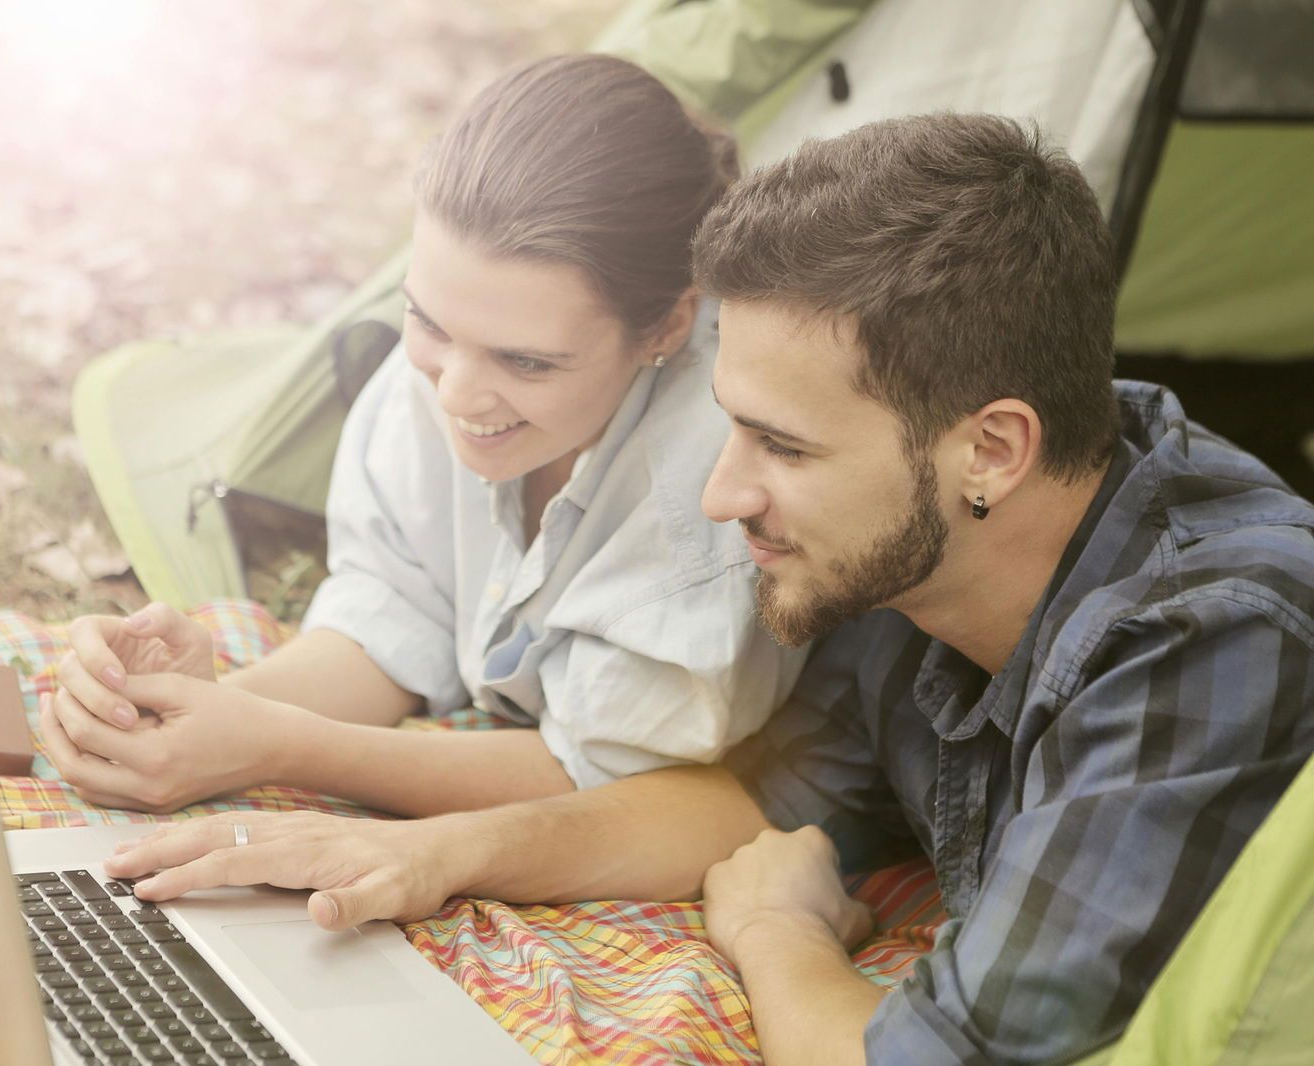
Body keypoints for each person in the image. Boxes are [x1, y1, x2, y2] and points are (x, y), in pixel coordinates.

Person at [100, 113, 1314, 1064]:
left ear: (991, 450)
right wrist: (425, 856)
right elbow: (748, 804)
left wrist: (777, 933)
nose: (724, 494)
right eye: (730, 427)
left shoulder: (1206, 639)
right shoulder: (929, 548)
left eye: (781, 446)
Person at [40, 54, 803, 818]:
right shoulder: (446, 364)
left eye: (525, 361)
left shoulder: (716, 502)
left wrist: (277, 745)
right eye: (428, 322)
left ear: (667, 326)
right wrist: (209, 705)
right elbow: (398, 614)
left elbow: (597, 780)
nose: (455, 394)